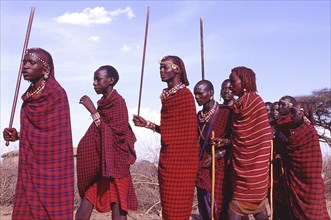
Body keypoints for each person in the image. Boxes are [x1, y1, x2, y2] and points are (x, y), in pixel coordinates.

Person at [3, 48, 74, 219]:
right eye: (24, 62)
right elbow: (35, 130)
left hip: (53, 167)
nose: (25, 67)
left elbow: (55, 134)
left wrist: (25, 135)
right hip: (29, 165)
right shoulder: (29, 95)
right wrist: (17, 135)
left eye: (31, 62)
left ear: (46, 69)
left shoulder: (56, 94)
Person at [133, 55, 199, 219]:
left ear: (177, 70)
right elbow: (171, 130)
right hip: (167, 162)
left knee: (179, 211)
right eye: (160, 68)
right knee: (168, 210)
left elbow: (187, 135)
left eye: (165, 67)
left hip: (182, 165)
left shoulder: (185, 96)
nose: (161, 71)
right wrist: (147, 124)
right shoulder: (168, 96)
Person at [75, 65, 138, 220]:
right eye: (94, 79)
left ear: (111, 80)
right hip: (102, 162)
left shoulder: (118, 102)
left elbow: (118, 133)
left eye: (98, 79)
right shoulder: (104, 102)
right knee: (88, 198)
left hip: (117, 163)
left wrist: (93, 112)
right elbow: (100, 131)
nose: (94, 83)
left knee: (118, 204)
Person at [227, 66, 272, 220]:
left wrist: (256, 161)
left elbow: (264, 137)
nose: (231, 85)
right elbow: (238, 137)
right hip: (240, 167)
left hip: (255, 168)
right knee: (258, 208)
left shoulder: (256, 102)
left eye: (234, 81)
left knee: (235, 210)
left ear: (245, 81)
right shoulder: (237, 104)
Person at [277, 100, 329, 220]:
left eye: (294, 111)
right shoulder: (294, 129)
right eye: (290, 111)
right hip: (297, 180)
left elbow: (290, 146)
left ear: (303, 113)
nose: (291, 115)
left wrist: (279, 135)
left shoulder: (308, 131)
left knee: (315, 214)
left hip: (310, 183)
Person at [194, 79, 233, 219]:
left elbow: (237, 140)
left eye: (200, 93)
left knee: (220, 205)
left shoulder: (226, 112)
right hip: (202, 166)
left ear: (210, 93)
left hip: (221, 166)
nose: (197, 97)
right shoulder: (198, 116)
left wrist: (218, 154)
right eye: (195, 94)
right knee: (204, 205)